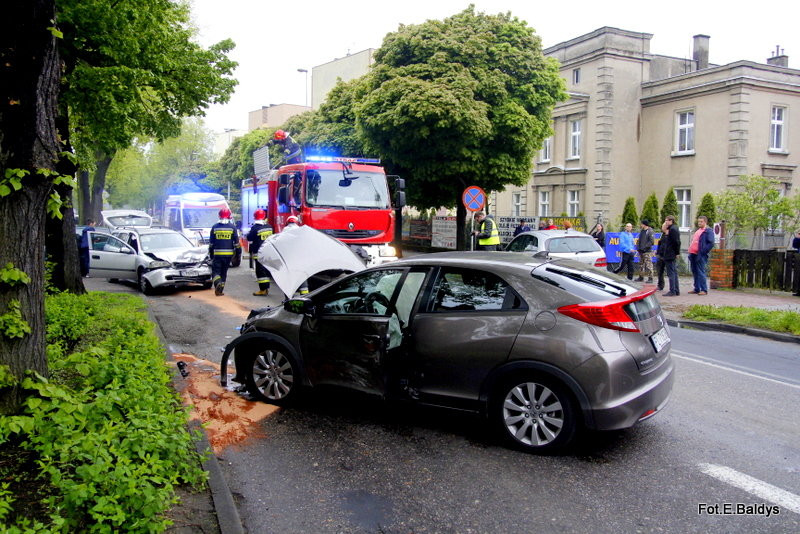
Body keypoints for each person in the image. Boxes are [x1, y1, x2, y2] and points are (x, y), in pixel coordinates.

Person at [208, 208, 240, 296]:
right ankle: (220, 290)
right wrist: (238, 253)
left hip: (218, 254)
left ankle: (217, 282)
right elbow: (237, 243)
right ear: (229, 216)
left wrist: (211, 254)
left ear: (219, 216)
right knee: (224, 272)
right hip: (228, 255)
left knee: (216, 271)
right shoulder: (232, 227)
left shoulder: (215, 227)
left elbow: (211, 243)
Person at [247, 209, 273, 296]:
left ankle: (263, 290)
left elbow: (249, 238)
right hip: (268, 252)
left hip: (259, 252)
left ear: (255, 217)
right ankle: (266, 288)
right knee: (266, 270)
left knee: (260, 271)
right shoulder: (269, 226)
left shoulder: (255, 228)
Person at [687, 215, 715, 295]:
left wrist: (703, 251)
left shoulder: (708, 231)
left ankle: (704, 289)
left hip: (700, 255)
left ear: (705, 222)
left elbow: (711, 243)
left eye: (701, 221)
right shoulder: (698, 230)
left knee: (700, 272)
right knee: (695, 271)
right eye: (699, 221)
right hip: (693, 254)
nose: (699, 223)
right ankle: (697, 288)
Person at [661, 215, 681, 296]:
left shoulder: (673, 229)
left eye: (667, 220)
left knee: (671, 273)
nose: (666, 222)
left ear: (671, 221)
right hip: (671, 253)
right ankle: (676, 290)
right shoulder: (672, 228)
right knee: (673, 272)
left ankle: (672, 290)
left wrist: (677, 252)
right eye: (665, 220)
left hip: (670, 253)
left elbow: (676, 242)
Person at [635, 219, 655, 283]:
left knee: (648, 264)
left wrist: (645, 247)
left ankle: (650, 278)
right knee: (641, 264)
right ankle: (641, 276)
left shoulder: (650, 231)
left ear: (644, 224)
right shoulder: (642, 231)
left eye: (641, 224)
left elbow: (651, 241)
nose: (641, 225)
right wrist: (638, 247)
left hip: (647, 251)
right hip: (641, 251)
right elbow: (639, 240)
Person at [654, 222, 669, 291]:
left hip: (666, 255)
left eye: (663, 227)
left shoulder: (669, 235)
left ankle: (673, 288)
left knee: (670, 272)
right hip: (660, 255)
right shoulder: (662, 235)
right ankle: (660, 285)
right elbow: (660, 244)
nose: (662, 228)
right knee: (659, 271)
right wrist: (657, 251)